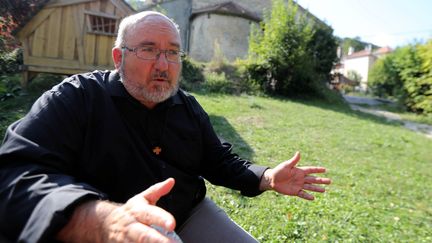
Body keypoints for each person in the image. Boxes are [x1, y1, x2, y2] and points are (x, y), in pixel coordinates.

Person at [0, 11, 331, 243]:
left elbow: (219, 162)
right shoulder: (76, 98)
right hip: (105, 229)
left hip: (190, 212)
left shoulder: (187, 106)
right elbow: (15, 173)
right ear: (118, 57)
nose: (163, 65)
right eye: (148, 50)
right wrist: (99, 221)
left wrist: (266, 176)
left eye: (172, 53)